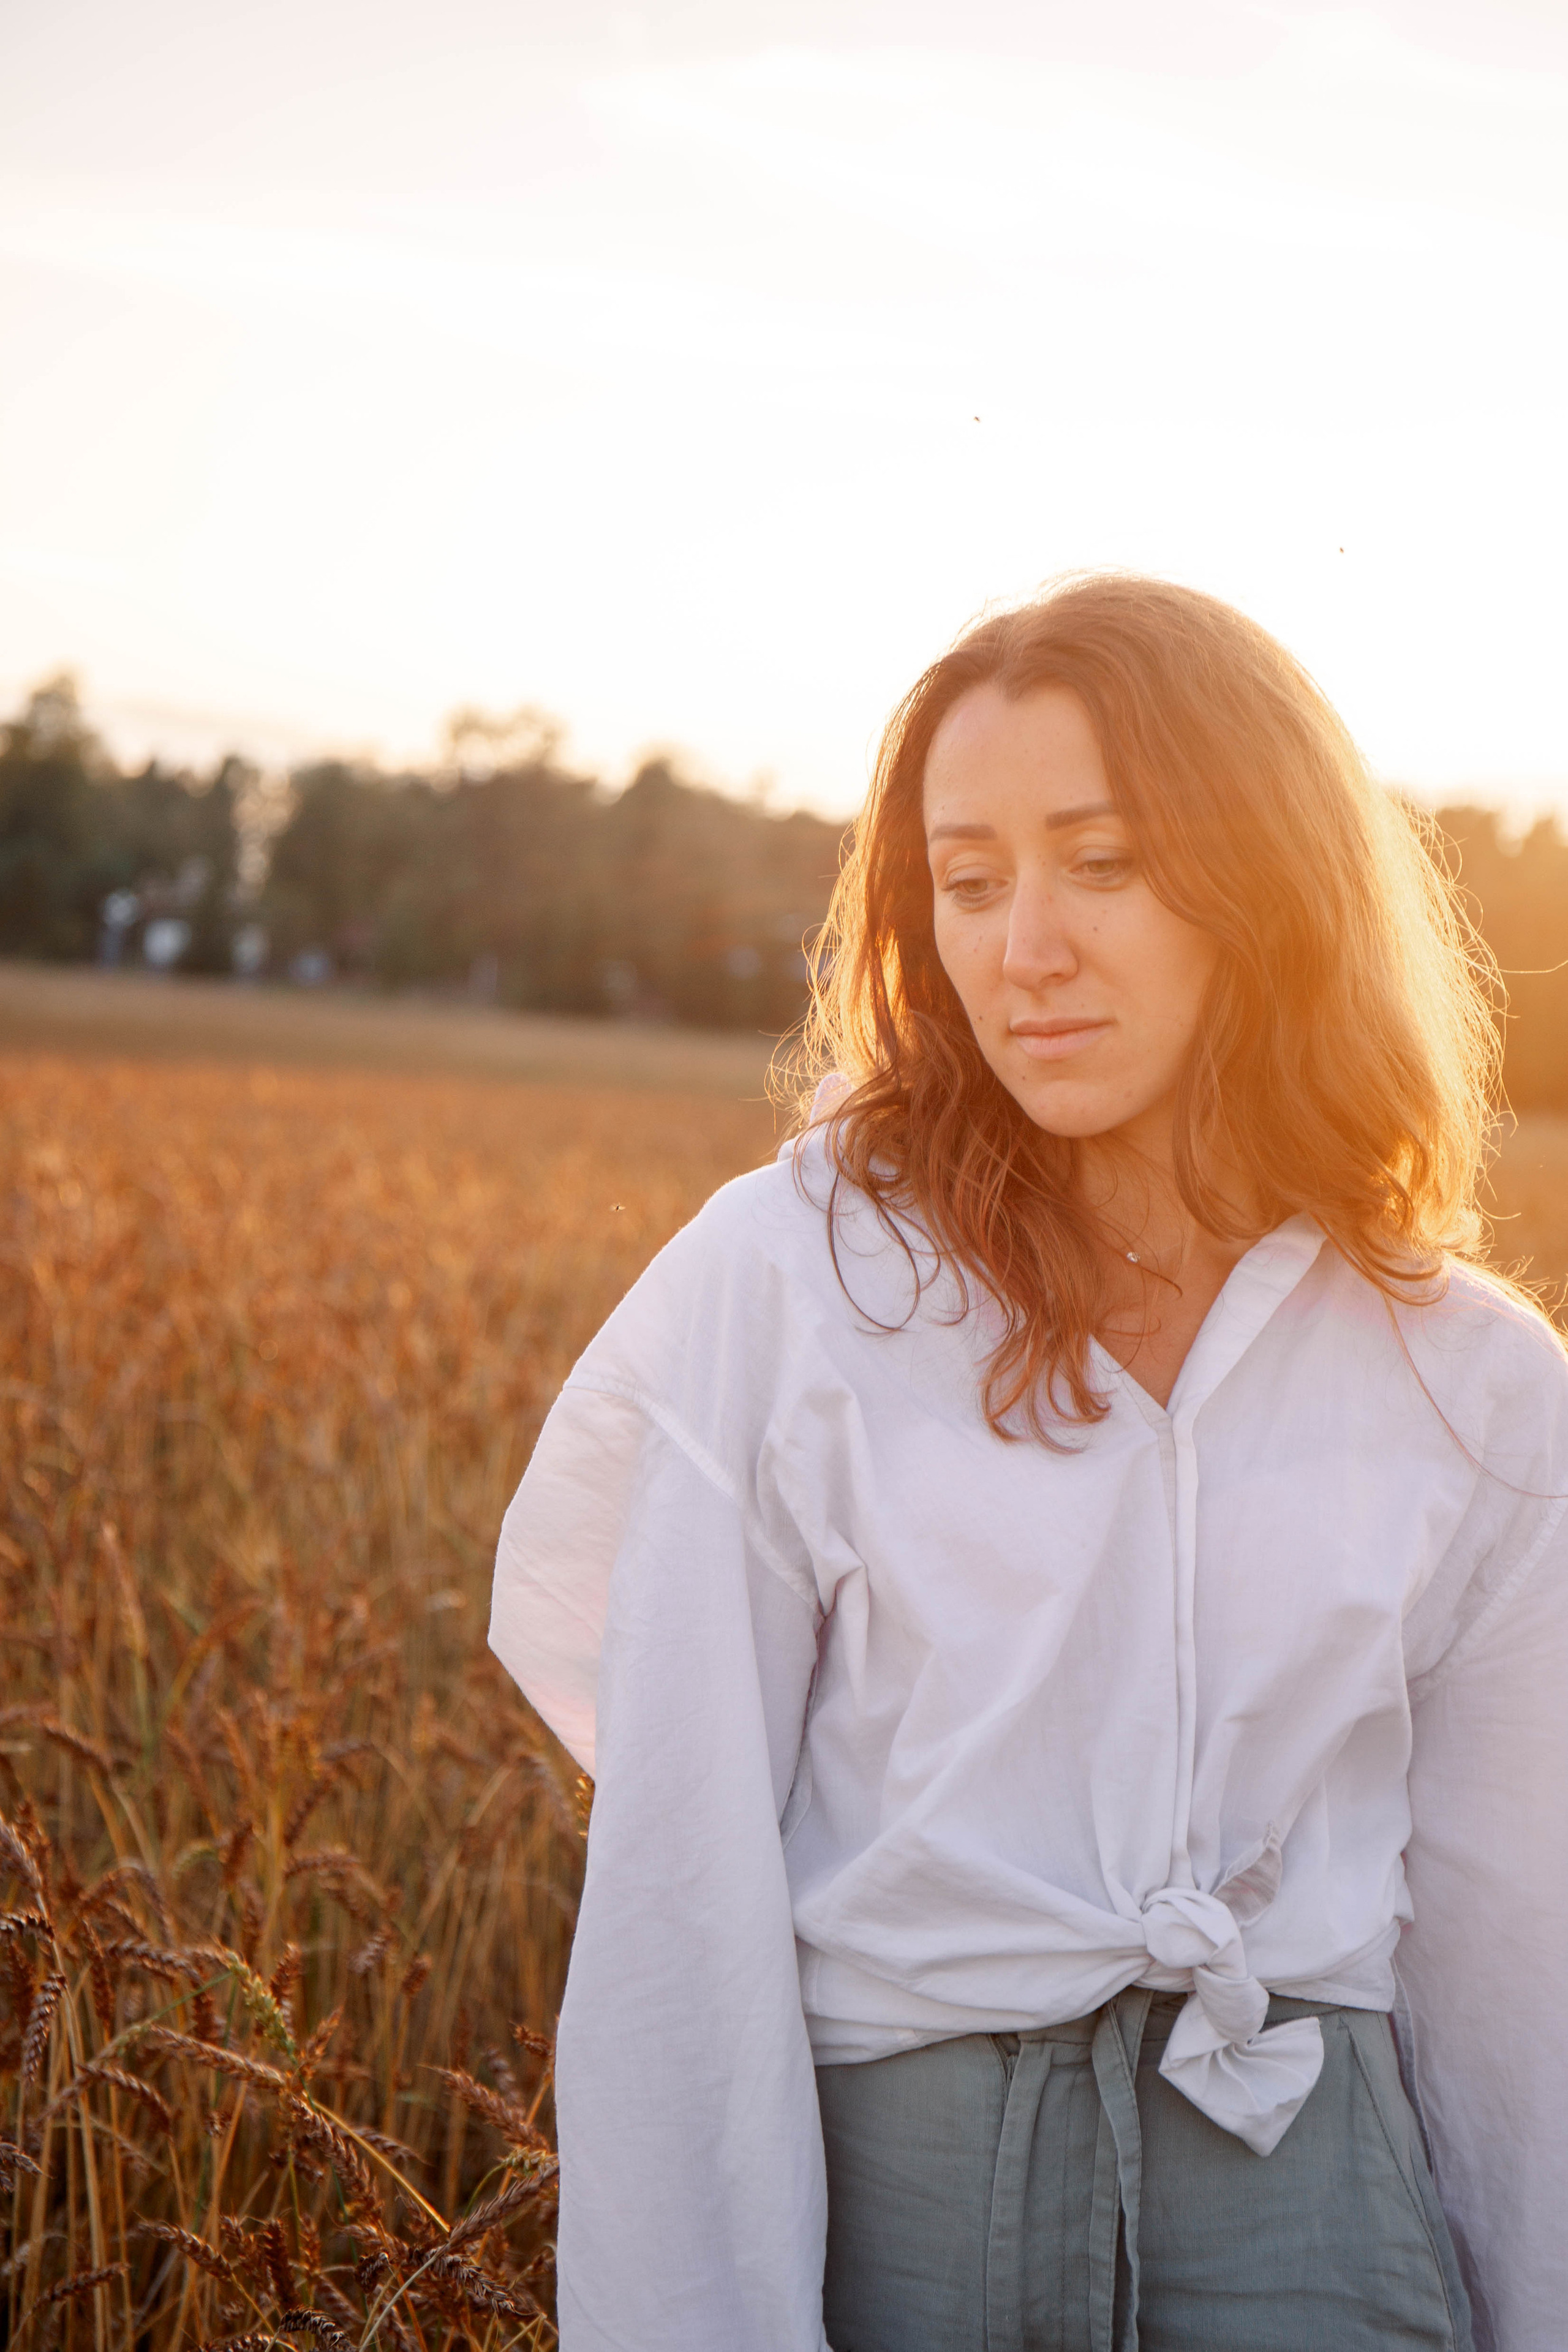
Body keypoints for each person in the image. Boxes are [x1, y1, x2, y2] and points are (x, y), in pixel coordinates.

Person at [489, 575, 1568, 2352]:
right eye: (971, 882)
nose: (1025, 949)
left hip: (1322, 2220)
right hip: (912, 2212)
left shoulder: (1474, 1379)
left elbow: (1520, 1962)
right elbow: (681, 1890)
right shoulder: (796, 1283)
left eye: (1103, 862)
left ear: (1269, 882)